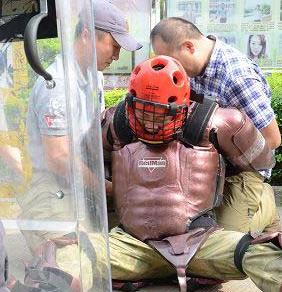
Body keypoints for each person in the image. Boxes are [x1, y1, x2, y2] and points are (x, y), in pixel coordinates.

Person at [95, 55, 282, 292]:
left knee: (266, 253)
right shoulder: (115, 121)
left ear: (183, 103)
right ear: (131, 101)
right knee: (59, 256)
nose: (152, 122)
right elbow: (93, 162)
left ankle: (264, 208)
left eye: (162, 113)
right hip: (131, 244)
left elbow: (262, 160)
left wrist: (221, 176)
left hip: (200, 242)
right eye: (145, 111)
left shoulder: (221, 122)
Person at [12, 0, 142, 291]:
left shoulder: (92, 76)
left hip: (82, 182)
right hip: (51, 187)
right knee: (68, 266)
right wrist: (108, 187)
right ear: (87, 35)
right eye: (115, 45)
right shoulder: (57, 85)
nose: (118, 54)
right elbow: (59, 158)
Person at [150, 17, 281, 234]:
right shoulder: (192, 70)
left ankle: (264, 204)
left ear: (189, 47)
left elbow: (273, 139)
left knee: (222, 239)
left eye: (172, 60)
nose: (170, 68)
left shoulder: (236, 76)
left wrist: (227, 159)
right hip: (202, 162)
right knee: (174, 225)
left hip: (243, 170)